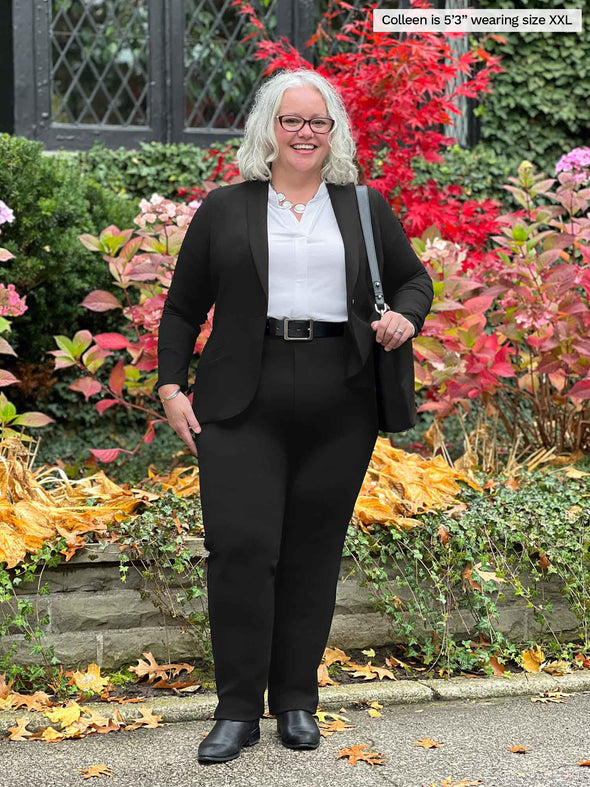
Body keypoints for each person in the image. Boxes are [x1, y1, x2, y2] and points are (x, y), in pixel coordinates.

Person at [155, 68, 434, 764]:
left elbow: (414, 278)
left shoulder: (362, 206)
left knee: (314, 553)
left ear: (333, 133)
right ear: (267, 130)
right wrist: (169, 387)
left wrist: (405, 316)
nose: (305, 133)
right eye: (291, 120)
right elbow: (184, 306)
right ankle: (237, 709)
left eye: (318, 122)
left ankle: (298, 701)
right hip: (241, 397)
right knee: (242, 548)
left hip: (341, 397)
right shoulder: (226, 207)